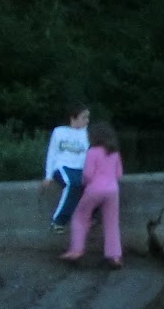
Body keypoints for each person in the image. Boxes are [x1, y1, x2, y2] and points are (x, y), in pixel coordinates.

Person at [60, 121, 125, 269]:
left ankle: (76, 250)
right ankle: (114, 256)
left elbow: (88, 175)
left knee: (79, 217)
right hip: (112, 191)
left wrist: (83, 182)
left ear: (94, 137)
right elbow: (119, 174)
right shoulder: (114, 153)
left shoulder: (92, 152)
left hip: (94, 190)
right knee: (111, 223)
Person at [43, 103, 90, 232]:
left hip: (79, 168)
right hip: (63, 167)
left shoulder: (86, 133)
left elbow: (87, 154)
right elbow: (51, 153)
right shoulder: (59, 132)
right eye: (84, 117)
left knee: (92, 187)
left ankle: (89, 215)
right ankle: (58, 220)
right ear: (73, 118)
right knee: (72, 184)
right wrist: (48, 175)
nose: (87, 121)